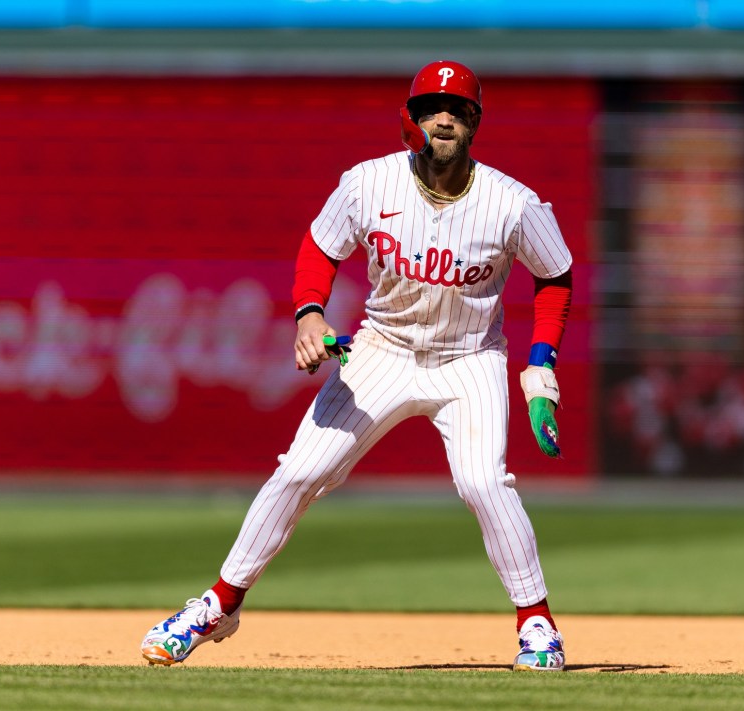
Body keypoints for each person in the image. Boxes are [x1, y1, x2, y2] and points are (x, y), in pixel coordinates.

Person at [140, 60, 574, 672]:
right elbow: (321, 245)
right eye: (430, 108)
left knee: (484, 483)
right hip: (383, 352)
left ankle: (538, 626)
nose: (444, 118)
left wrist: (540, 367)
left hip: (469, 359)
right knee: (297, 474)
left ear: (476, 122)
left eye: (458, 110)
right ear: (410, 117)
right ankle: (219, 605)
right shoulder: (368, 184)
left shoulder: (511, 203)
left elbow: (555, 275)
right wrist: (309, 314)